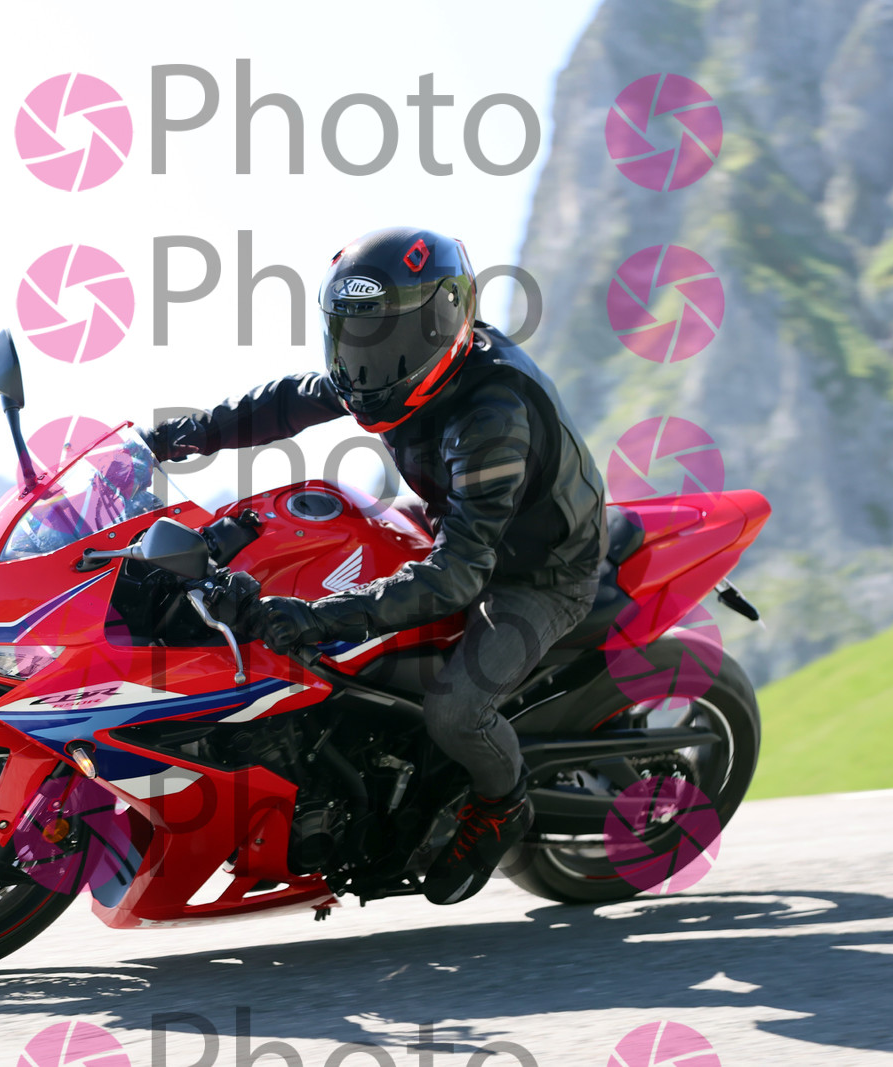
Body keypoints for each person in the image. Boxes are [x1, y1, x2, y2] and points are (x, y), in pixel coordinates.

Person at [140, 227, 608, 906]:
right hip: (458, 521)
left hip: (538, 572)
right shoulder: (388, 372)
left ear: (444, 321)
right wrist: (180, 436)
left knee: (456, 708)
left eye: (385, 340)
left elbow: (459, 576)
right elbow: (286, 401)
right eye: (352, 336)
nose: (364, 362)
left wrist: (316, 618)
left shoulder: (491, 417)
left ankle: (503, 806)